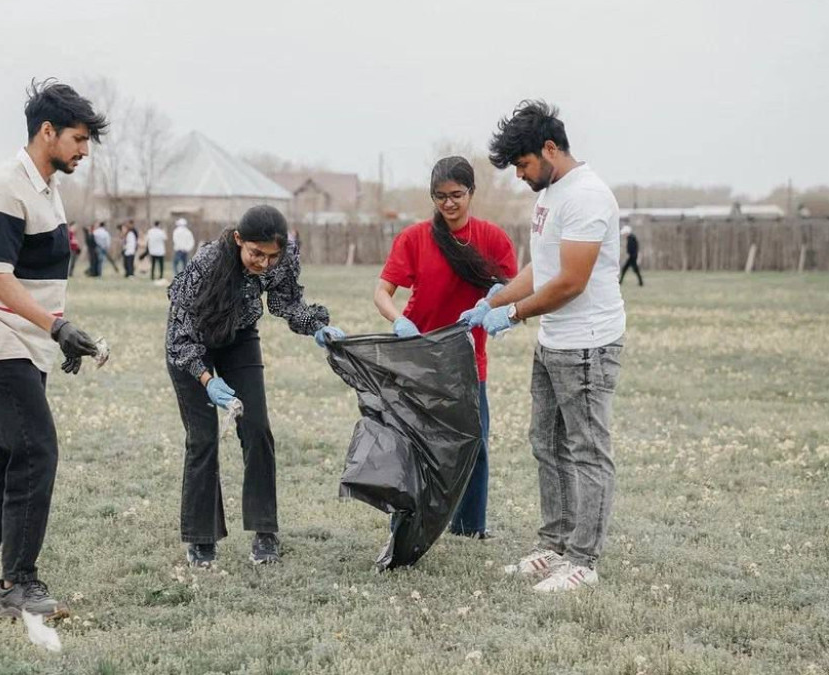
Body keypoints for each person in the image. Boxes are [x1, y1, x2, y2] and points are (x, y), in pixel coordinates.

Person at [0, 79, 107, 618]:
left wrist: (57, 335)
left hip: (23, 344)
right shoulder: (3, 190)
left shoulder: (45, 187)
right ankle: (18, 585)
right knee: (35, 452)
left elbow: (36, 281)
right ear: (47, 131)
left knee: (0, 460)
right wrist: (58, 329)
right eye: (78, 139)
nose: (84, 150)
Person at [466, 99, 625, 593]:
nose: (519, 175)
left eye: (523, 164)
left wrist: (511, 314)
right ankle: (554, 544)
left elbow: (571, 282)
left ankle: (583, 559)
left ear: (550, 148)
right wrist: (497, 295)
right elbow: (542, 268)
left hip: (587, 346)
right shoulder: (549, 194)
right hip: (553, 340)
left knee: (587, 451)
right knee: (547, 444)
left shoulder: (587, 196)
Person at [166, 205, 344, 567]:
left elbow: (286, 301)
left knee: (258, 429)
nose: (264, 263)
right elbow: (179, 337)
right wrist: (207, 380)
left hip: (239, 336)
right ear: (238, 241)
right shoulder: (207, 263)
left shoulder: (284, 256)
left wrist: (316, 327)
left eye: (271, 256)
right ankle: (202, 540)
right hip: (191, 344)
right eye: (255, 254)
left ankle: (265, 533)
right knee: (203, 439)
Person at [374, 156, 517, 539]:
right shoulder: (415, 238)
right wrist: (397, 321)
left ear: (471, 193)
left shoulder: (492, 238)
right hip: (417, 355)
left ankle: (470, 528)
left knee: (475, 445)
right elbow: (382, 291)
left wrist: (490, 302)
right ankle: (405, 523)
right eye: (440, 197)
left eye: (456, 195)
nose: (449, 204)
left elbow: (510, 286)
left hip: (468, 358)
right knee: (414, 445)